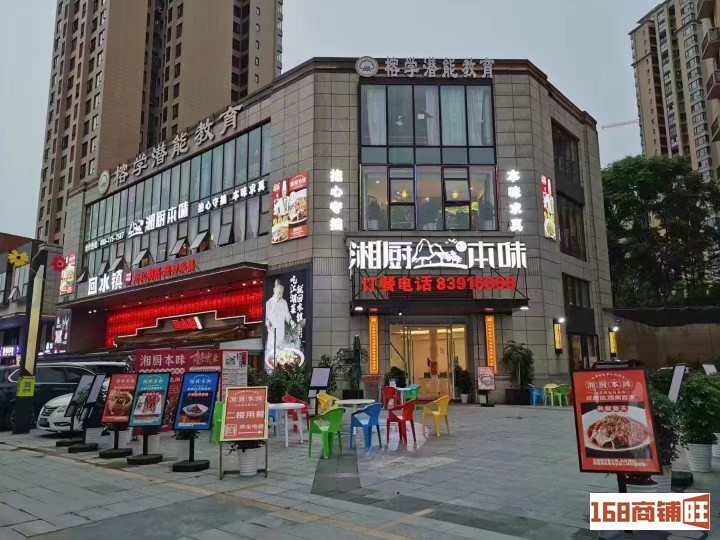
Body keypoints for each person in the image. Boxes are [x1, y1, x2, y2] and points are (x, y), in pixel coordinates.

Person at [265, 279, 292, 369]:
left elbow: (287, 315)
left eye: (281, 293)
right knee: (271, 354)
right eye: (278, 293)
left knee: (282, 355)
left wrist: (291, 322)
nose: (280, 295)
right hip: (272, 332)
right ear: (274, 291)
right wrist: (268, 323)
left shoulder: (284, 302)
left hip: (281, 331)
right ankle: (270, 372)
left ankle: (281, 371)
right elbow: (265, 318)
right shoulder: (268, 303)